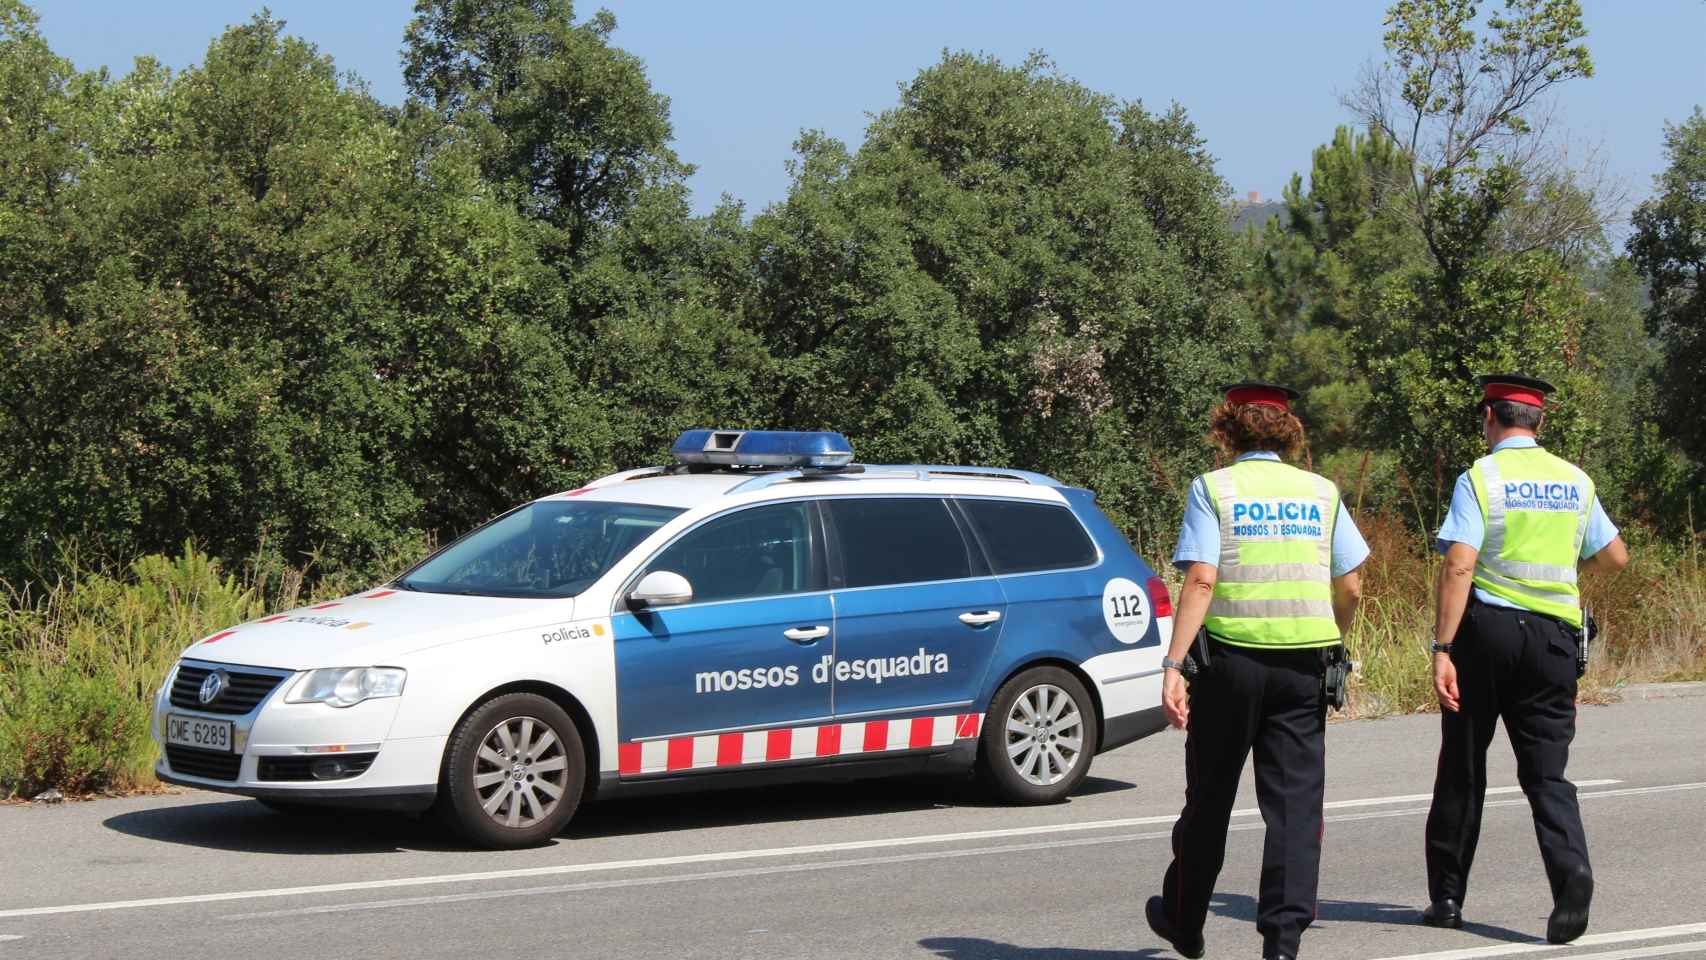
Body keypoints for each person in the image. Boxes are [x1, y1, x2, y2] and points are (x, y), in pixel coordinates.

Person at [1146, 382, 1367, 960]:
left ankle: (1185, 920)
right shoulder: (1322, 492)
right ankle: (1283, 942)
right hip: (1303, 668)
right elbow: (1350, 582)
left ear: (1228, 429)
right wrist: (1334, 634)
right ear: (1288, 430)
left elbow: (1200, 579)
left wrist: (1174, 664)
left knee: (1210, 799)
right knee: (1294, 808)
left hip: (1231, 667)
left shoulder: (1213, 488)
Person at [1421, 374, 1628, 944]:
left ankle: (1447, 899)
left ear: (1491, 418)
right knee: (1546, 774)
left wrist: (1442, 647)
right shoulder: (1574, 480)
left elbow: (1460, 564)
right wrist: (1567, 571)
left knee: (1463, 767)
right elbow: (1614, 556)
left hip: (1486, 637)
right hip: (1555, 641)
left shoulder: (1480, 477)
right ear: (1539, 423)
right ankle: (1572, 876)